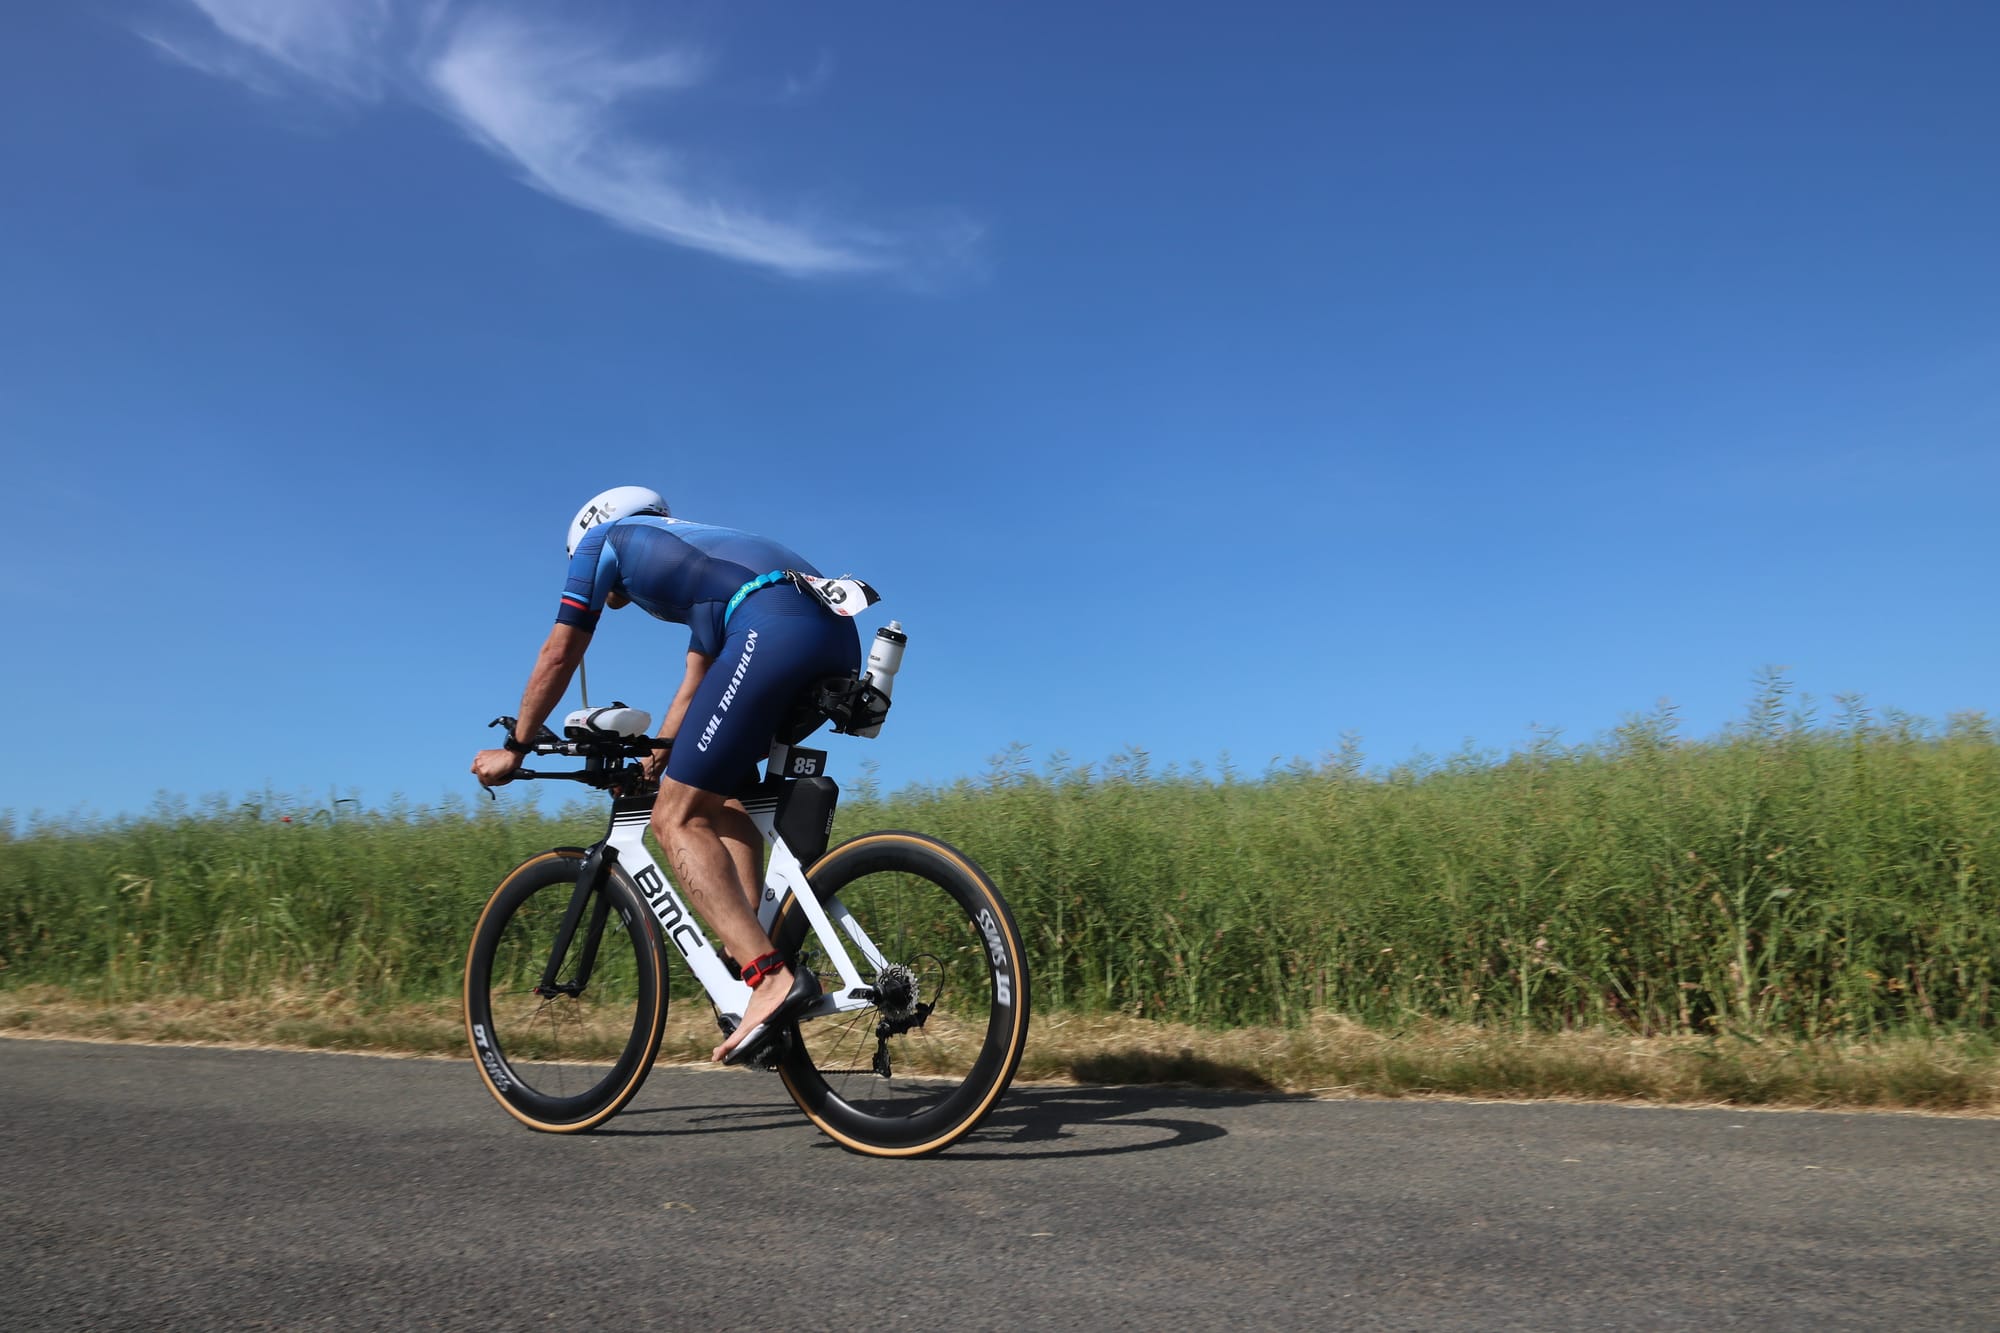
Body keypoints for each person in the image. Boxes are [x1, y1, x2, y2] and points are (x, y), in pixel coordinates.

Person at [470, 486, 861, 1063]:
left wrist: (517, 746)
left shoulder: (604, 541)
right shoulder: (707, 563)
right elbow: (696, 686)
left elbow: (561, 651)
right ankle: (751, 952)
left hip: (773, 631)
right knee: (716, 800)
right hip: (833, 637)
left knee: (673, 818)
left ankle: (771, 979)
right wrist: (657, 762)